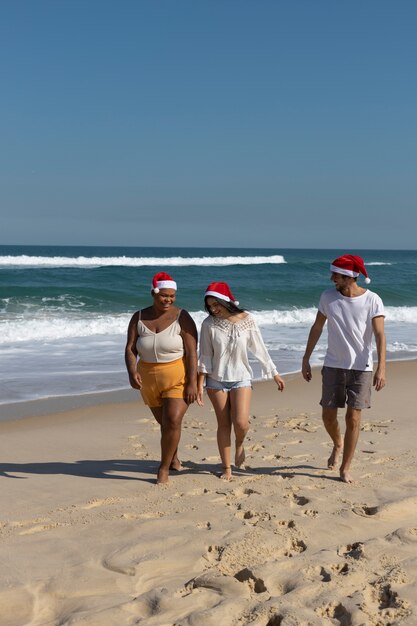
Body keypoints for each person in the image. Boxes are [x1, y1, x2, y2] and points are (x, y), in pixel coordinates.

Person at [302, 254, 386, 483]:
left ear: (349, 276)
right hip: (333, 365)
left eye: (336, 275)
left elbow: (379, 335)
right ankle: (338, 443)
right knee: (328, 416)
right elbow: (317, 327)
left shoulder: (372, 300)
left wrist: (381, 368)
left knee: (353, 418)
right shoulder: (328, 297)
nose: (332, 279)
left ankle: (345, 468)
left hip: (362, 368)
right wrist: (306, 358)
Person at [197, 281, 285, 480]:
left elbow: (259, 348)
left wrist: (274, 373)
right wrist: (199, 384)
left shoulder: (248, 320)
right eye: (209, 306)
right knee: (223, 425)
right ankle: (226, 468)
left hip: (241, 377)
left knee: (241, 422)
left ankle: (239, 443)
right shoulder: (208, 324)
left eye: (216, 304)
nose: (213, 309)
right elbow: (205, 356)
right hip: (215, 380)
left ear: (226, 301)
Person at [125, 271, 198, 484]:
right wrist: (131, 371)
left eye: (172, 296)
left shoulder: (182, 317)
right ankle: (173, 458)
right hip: (148, 379)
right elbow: (130, 349)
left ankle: (163, 468)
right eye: (164, 295)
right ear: (153, 293)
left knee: (173, 420)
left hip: (178, 377)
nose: (168, 299)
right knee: (165, 424)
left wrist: (193, 382)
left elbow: (192, 352)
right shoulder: (138, 317)